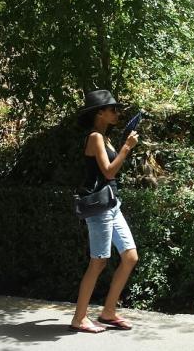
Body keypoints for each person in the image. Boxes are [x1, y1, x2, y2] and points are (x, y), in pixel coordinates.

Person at [70, 90, 140, 333]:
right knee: (98, 261)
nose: (117, 113)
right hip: (99, 207)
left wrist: (121, 146)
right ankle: (79, 318)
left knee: (130, 257)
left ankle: (108, 312)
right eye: (112, 109)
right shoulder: (95, 138)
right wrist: (127, 148)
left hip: (112, 204)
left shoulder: (106, 138)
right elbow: (109, 172)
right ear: (99, 113)